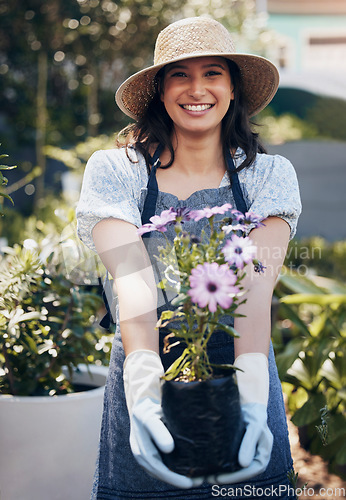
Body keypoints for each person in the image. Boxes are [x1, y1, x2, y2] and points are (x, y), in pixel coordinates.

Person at [76, 16, 302, 500]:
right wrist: (142, 385)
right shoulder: (117, 171)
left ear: (234, 88)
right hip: (145, 358)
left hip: (241, 367)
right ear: (159, 89)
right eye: (180, 74)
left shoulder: (269, 177)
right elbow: (133, 278)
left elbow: (254, 288)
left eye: (213, 72)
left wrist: (252, 397)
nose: (196, 88)